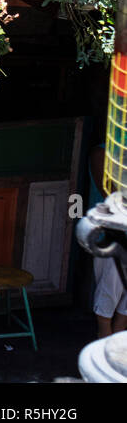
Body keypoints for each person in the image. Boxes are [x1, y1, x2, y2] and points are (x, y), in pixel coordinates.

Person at [88, 144, 127, 337]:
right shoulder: (101, 154)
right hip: (110, 239)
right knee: (106, 304)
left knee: (123, 308)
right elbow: (112, 197)